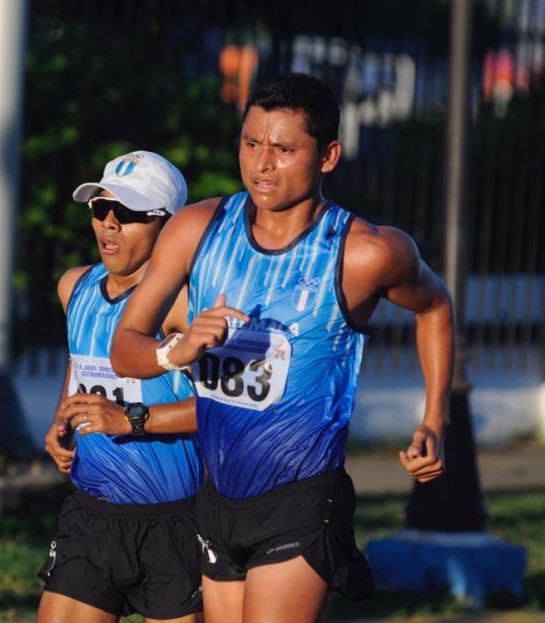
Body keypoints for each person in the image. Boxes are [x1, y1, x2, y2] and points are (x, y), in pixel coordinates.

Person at [109, 74, 454, 623]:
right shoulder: (197, 228)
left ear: (328, 155)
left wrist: (435, 416)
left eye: (283, 149)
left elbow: (435, 307)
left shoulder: (364, 253)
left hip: (301, 497)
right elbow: (124, 348)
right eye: (250, 143)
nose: (261, 164)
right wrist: (176, 351)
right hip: (217, 499)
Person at [38, 151, 204, 623]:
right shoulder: (75, 287)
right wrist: (61, 420)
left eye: (128, 214)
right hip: (92, 514)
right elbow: (79, 365)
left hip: (175, 520)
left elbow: (224, 409)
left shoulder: (183, 304)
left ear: (168, 227)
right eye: (99, 209)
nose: (109, 224)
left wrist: (129, 420)